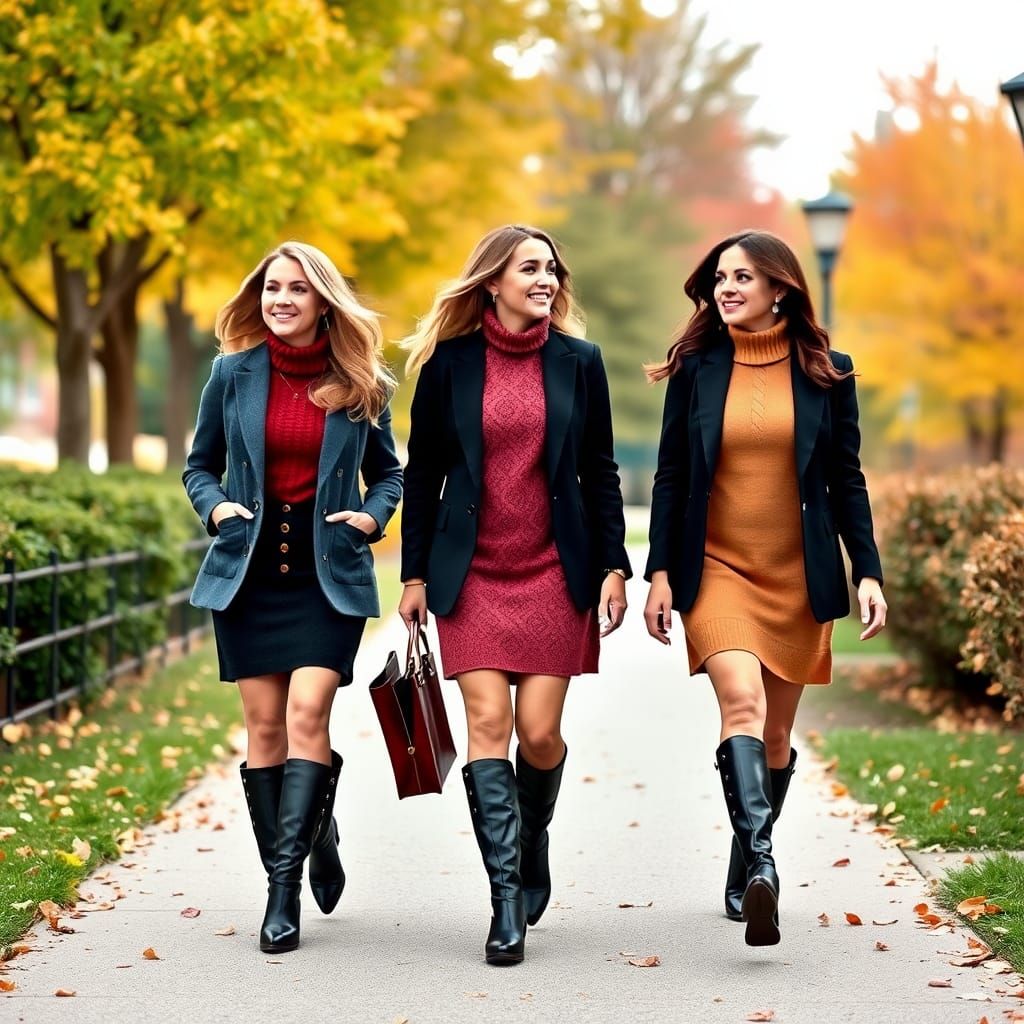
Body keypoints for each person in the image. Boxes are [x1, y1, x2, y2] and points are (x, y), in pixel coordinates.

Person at [642, 230, 887, 947]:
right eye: (720, 277)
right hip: (715, 569)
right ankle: (767, 866)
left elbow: (847, 481)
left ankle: (743, 862)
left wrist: (867, 570)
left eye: (743, 277)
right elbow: (669, 477)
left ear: (780, 287)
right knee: (741, 705)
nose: (726, 288)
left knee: (776, 736)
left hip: (796, 577)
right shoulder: (696, 367)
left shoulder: (826, 372)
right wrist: (659, 570)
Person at [398, 224, 630, 965]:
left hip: (554, 571)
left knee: (538, 734)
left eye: (552, 269)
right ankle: (505, 901)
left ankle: (533, 842)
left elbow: (600, 471)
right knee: (488, 721)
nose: (547, 280)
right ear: (492, 282)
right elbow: (423, 472)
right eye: (530, 268)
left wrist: (614, 566)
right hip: (472, 576)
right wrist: (412, 575)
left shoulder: (579, 364)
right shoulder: (450, 366)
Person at [183, 241, 402, 954]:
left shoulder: (363, 382)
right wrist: (216, 510)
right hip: (247, 578)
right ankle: (315, 834)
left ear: (322, 302)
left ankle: (283, 894)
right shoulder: (230, 374)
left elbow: (390, 475)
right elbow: (199, 467)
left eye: (296, 290)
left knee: (309, 712)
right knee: (266, 730)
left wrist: (371, 518)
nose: (280, 299)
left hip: (326, 578)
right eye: (272, 287)